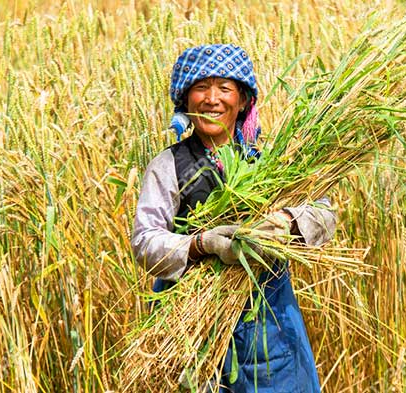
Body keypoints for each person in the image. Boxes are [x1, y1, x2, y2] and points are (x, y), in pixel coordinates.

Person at [131, 44, 336, 392]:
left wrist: (287, 221)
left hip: (271, 331)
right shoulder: (168, 166)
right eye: (201, 88)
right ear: (186, 100)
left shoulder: (272, 162)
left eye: (224, 88)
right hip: (192, 333)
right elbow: (145, 241)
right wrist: (200, 244)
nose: (212, 99)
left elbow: (324, 212)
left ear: (242, 101)